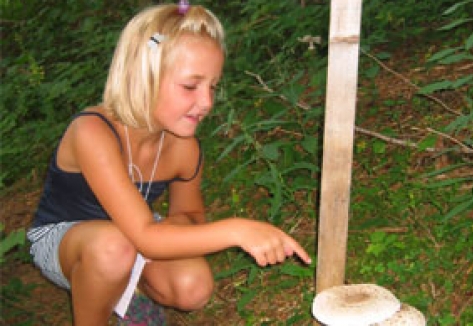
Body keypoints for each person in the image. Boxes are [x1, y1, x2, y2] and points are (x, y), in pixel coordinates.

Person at [27, 2, 311, 325]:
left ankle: (126, 293)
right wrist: (237, 229)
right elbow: (146, 238)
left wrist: (177, 226)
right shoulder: (93, 131)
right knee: (111, 247)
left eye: (212, 87)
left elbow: (189, 216)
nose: (205, 102)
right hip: (67, 238)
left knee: (193, 286)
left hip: (134, 231)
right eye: (190, 86)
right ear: (143, 75)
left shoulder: (184, 149)